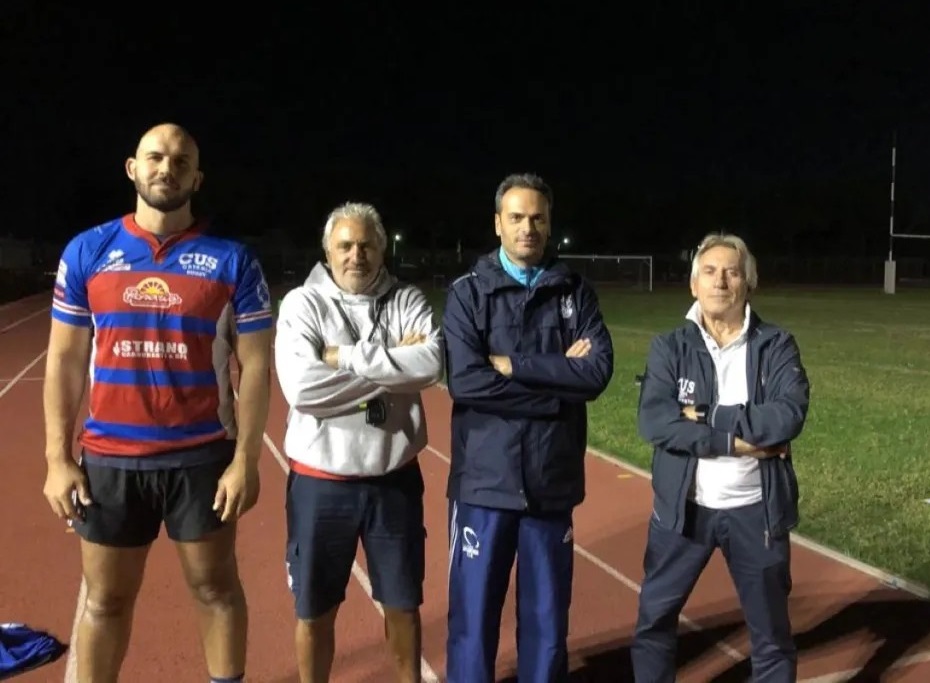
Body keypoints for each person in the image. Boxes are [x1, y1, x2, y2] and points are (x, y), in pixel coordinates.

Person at [42, 123, 273, 683]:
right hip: (110, 460)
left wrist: (245, 460)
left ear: (197, 177)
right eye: (155, 157)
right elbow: (65, 360)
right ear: (133, 168)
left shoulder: (233, 260)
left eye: (180, 161)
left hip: (201, 457)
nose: (166, 168)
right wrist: (56, 458)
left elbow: (256, 367)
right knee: (105, 601)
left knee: (216, 588)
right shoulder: (88, 250)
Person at [442, 173, 614, 682]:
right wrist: (558, 385)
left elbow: (596, 373)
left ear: (550, 223)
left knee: (547, 622)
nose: (527, 228)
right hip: (484, 484)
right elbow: (467, 382)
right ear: (498, 223)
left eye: (537, 218)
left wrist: (513, 365)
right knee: (473, 621)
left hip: (550, 483)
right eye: (516, 217)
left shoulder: (576, 292)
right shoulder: (467, 294)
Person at [274, 201, 444, 683]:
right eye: (345, 245)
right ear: (327, 251)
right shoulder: (303, 304)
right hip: (321, 484)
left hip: (394, 482)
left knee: (403, 606)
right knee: (315, 610)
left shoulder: (406, 299)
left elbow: (431, 365)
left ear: (382, 249)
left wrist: (342, 358)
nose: (356, 255)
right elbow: (304, 389)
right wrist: (393, 365)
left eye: (366, 245)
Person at [631, 232, 811, 682]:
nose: (720, 281)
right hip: (682, 512)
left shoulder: (777, 345)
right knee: (654, 623)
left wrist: (708, 414)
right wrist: (735, 443)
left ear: (749, 283)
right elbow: (656, 423)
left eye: (732, 272)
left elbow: (787, 416)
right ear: (694, 284)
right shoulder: (669, 347)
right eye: (709, 272)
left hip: (756, 511)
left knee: (771, 638)